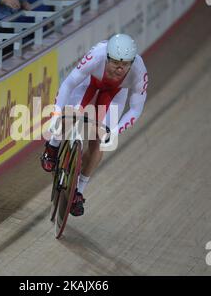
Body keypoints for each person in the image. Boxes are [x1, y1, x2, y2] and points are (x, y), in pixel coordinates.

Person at [40, 34, 149, 217]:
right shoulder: (97, 55)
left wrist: (112, 132)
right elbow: (69, 84)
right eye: (115, 63)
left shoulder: (139, 71)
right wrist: (56, 115)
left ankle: (79, 191)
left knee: (99, 139)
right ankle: (52, 147)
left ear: (132, 62)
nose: (119, 69)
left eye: (125, 65)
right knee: (70, 114)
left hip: (115, 93)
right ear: (107, 58)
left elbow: (135, 110)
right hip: (89, 82)